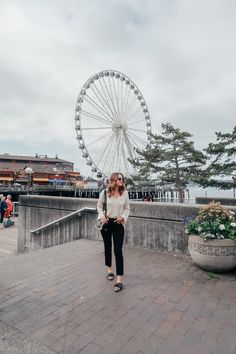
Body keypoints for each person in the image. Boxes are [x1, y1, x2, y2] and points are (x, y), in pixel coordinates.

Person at [97, 172, 130, 292]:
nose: (122, 180)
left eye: (122, 179)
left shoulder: (125, 193)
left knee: (118, 250)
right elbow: (99, 206)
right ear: (114, 180)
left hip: (118, 223)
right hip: (106, 223)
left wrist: (123, 217)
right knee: (107, 247)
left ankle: (119, 279)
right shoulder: (104, 193)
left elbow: (127, 208)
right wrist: (101, 217)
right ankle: (110, 270)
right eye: (119, 178)